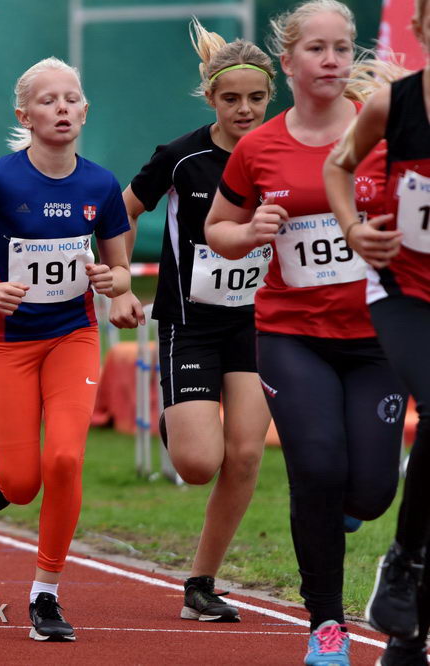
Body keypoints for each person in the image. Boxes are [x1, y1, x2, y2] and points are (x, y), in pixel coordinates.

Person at [204, 2, 408, 663]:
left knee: (372, 493)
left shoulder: (384, 130)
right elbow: (218, 229)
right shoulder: (260, 148)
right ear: (288, 62)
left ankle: (347, 502)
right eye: (316, 49)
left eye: (342, 48)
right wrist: (248, 233)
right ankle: (326, 624)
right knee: (316, 468)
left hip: (378, 336)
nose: (331, 60)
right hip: (293, 336)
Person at [0, 57, 131, 642]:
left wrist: (114, 287)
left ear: (86, 111)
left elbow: (120, 271)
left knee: (66, 459)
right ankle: (2, 465)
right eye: (49, 100)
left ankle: (46, 592)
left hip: (74, 335)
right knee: (21, 485)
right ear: (24, 114)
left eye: (72, 98)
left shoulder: (100, 184)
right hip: (9, 343)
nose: (63, 108)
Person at [110, 19, 276, 624]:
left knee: (247, 455)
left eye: (256, 98)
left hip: (257, 323)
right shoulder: (182, 159)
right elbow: (120, 212)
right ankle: (175, 422)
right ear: (210, 96)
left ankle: (202, 582)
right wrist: (122, 280)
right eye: (231, 98)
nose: (244, 109)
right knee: (198, 463)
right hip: (191, 321)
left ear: (270, 96)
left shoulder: (284, 150)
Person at [323, 0, 430, 660]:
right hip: (401, 292)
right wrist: (355, 228)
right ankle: (402, 564)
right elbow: (337, 167)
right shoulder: (395, 106)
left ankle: (409, 632)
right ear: (420, 28)